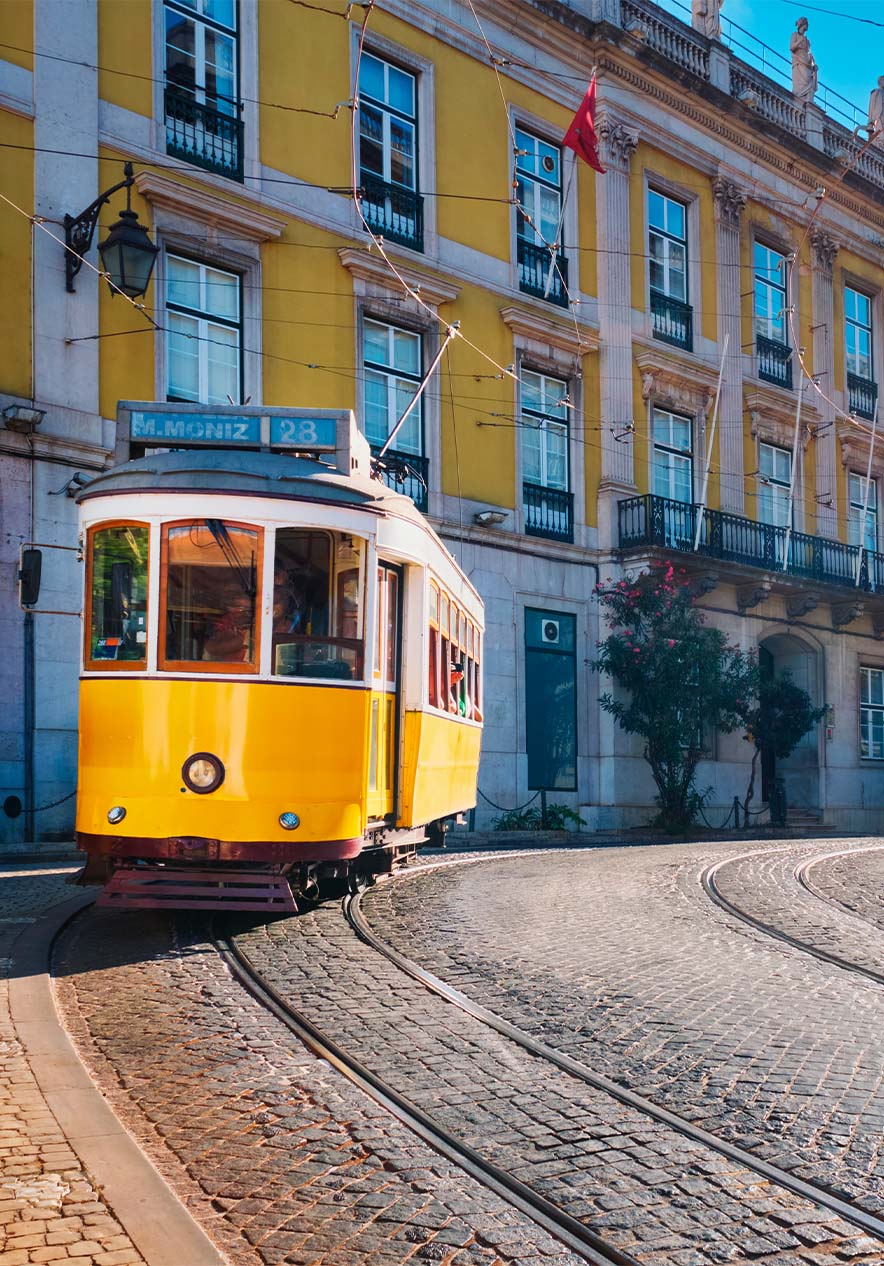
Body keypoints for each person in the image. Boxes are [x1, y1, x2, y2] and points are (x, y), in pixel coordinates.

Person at [203, 590, 254, 662]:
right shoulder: (226, 622)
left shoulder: (255, 621)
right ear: (230, 608)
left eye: (248, 610)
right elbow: (211, 648)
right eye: (241, 609)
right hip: (231, 665)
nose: (246, 614)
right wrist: (242, 640)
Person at [790, 18, 817, 104]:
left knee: (809, 81)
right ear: (802, 24)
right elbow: (791, 47)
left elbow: (809, 52)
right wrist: (799, 41)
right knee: (802, 83)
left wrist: (813, 62)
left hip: (807, 63)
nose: (807, 25)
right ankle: (800, 98)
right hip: (799, 61)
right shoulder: (795, 35)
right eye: (806, 24)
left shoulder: (807, 40)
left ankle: (807, 99)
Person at [869, 76, 884, 147]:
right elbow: (871, 110)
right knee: (879, 139)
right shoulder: (876, 92)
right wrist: (870, 127)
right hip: (878, 120)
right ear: (880, 82)